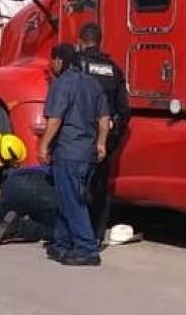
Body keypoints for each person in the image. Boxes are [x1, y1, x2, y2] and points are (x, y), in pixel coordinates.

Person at [38, 43, 110, 267]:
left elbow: (55, 118)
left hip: (69, 151)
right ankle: (62, 243)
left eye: (52, 61)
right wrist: (101, 143)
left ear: (59, 61)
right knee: (65, 198)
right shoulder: (93, 84)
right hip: (87, 152)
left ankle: (87, 248)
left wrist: (43, 145)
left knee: (73, 201)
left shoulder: (61, 84)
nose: (50, 65)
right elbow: (104, 118)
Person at [76, 22, 130, 247]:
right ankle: (97, 235)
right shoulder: (114, 69)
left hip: (79, 136)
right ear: (100, 41)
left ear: (80, 42)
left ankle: (79, 236)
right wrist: (112, 138)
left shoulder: (77, 65)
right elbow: (124, 111)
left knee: (76, 186)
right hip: (105, 137)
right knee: (100, 186)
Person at [0, 164, 57, 248]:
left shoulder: (51, 165)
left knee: (1, 219)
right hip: (44, 189)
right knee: (57, 230)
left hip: (14, 181)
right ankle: (18, 227)